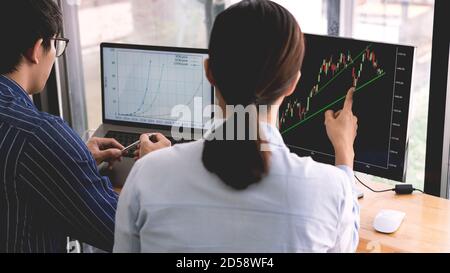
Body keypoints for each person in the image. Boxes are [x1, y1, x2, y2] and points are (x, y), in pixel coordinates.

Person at [114, 0, 360, 252]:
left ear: (209, 72)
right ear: (293, 84)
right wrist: (344, 154)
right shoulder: (330, 188)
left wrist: (162, 165)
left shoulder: (147, 175)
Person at [0, 0, 170, 253]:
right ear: (37, 49)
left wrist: (72, 158)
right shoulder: (39, 135)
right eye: (56, 45)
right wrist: (156, 168)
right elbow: (128, 234)